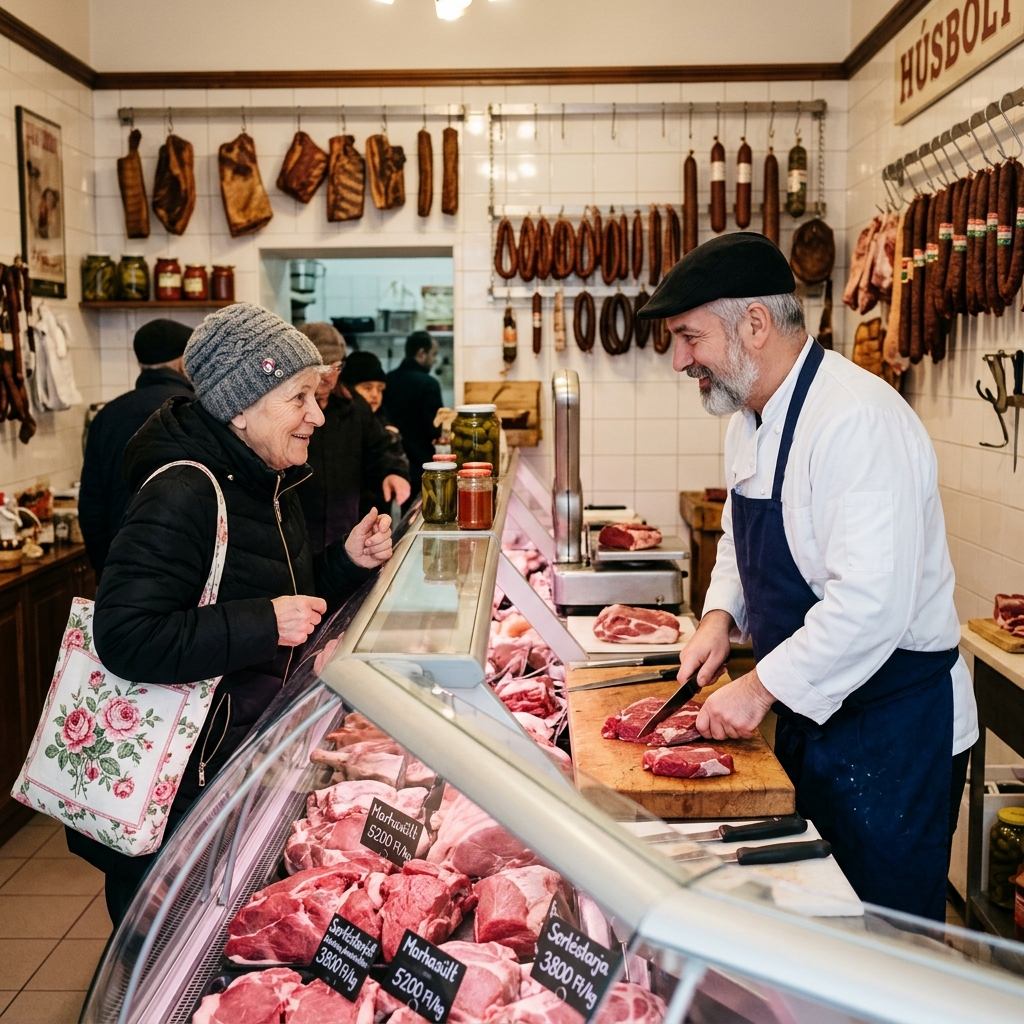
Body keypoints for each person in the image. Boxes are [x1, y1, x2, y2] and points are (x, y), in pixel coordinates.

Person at [638, 232, 978, 923]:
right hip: (813, 716)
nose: (680, 360)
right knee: (813, 927)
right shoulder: (748, 418)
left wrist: (760, 686)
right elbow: (740, 537)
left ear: (755, 325)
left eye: (689, 337)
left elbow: (871, 606)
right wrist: (717, 619)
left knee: (884, 945)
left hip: (892, 731)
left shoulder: (856, 420)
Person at [72, 303, 393, 925]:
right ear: (240, 408)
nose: (318, 415)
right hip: (173, 787)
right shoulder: (184, 489)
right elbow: (125, 635)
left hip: (229, 763)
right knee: (159, 961)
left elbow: (281, 591)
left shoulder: (266, 478)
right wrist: (264, 624)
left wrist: (345, 563)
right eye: (299, 397)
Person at [78, 319, 195, 575]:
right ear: (182, 365)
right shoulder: (197, 411)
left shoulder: (107, 416)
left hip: (120, 566)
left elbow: (91, 505)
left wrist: (105, 568)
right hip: (187, 567)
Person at [297, 323, 410, 552]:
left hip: (346, 535)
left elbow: (380, 447)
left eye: (335, 366)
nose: (329, 375)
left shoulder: (354, 406)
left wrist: (393, 472)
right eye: (321, 366)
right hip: (298, 536)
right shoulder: (288, 408)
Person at [341, 350, 411, 516]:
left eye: (380, 389)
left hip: (377, 513)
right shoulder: (341, 424)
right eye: (367, 387)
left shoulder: (384, 424)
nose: (375, 394)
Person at [384, 331, 442, 495]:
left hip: (392, 464)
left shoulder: (388, 379)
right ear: (421, 353)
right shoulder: (429, 384)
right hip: (420, 464)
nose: (435, 360)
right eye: (434, 354)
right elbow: (434, 428)